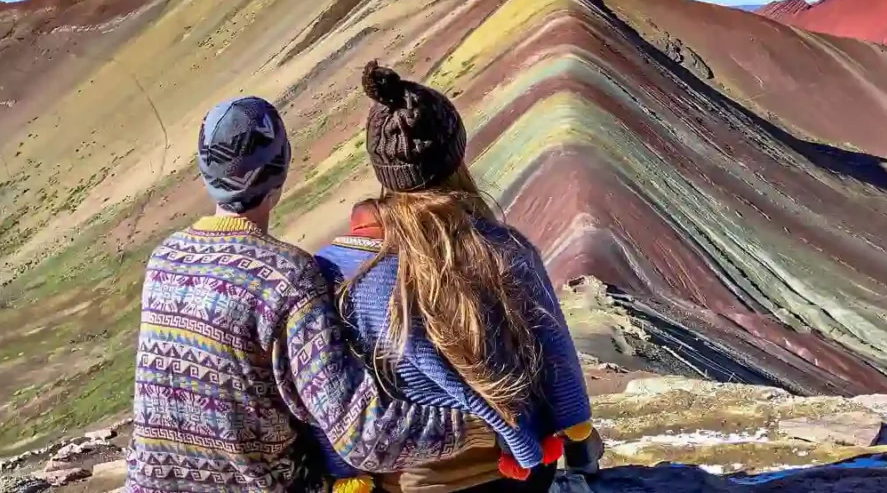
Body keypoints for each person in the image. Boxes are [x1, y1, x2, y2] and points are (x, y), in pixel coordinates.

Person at [126, 97, 496, 493]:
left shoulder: (166, 257)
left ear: (204, 169)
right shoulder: (286, 278)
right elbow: (360, 435)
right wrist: (479, 428)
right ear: (282, 165)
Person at [313, 62, 604, 493]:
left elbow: (328, 392)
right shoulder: (503, 248)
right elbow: (555, 357)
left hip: (407, 484)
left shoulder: (335, 270)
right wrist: (579, 440)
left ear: (380, 166)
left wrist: (342, 474)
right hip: (514, 474)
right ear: (455, 155)